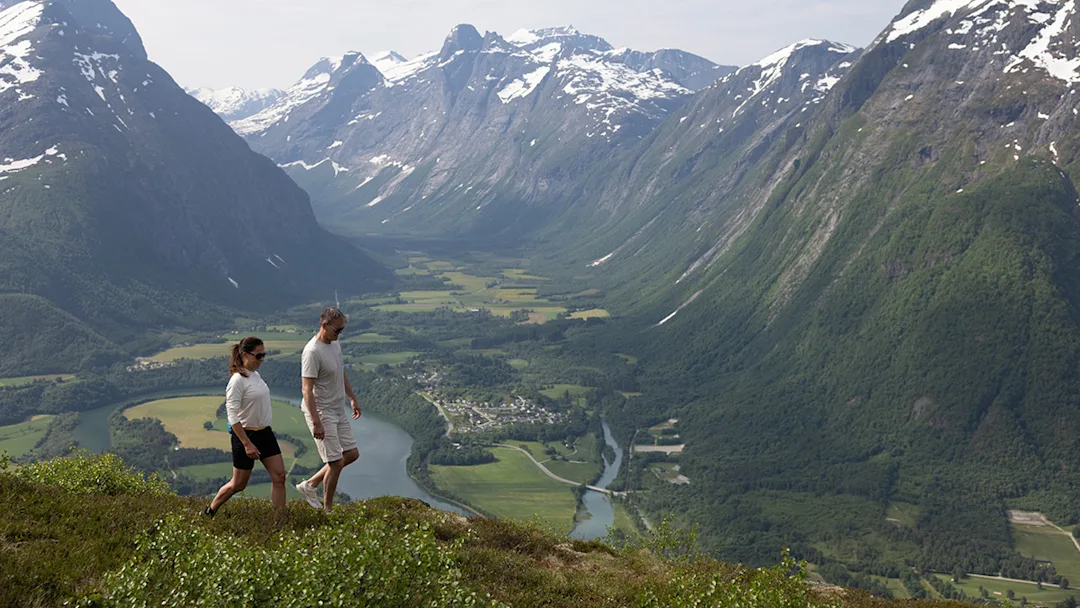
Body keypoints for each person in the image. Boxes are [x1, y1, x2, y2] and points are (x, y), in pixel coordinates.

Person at [203, 336, 286, 517]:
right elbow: (232, 415)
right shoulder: (237, 381)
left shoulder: (255, 375)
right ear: (244, 355)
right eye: (258, 356)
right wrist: (247, 444)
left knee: (280, 477)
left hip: (265, 433)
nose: (262, 359)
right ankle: (210, 510)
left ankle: (279, 522)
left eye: (264, 355)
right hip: (245, 436)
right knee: (239, 484)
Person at [295, 307, 362, 511]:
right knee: (335, 462)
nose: (340, 334)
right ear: (324, 325)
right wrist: (316, 421)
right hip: (322, 412)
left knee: (351, 454)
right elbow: (306, 389)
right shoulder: (312, 352)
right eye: (337, 330)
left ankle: (310, 485)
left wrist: (352, 398)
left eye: (342, 330)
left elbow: (340, 373)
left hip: (337, 408)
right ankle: (328, 510)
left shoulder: (334, 344)